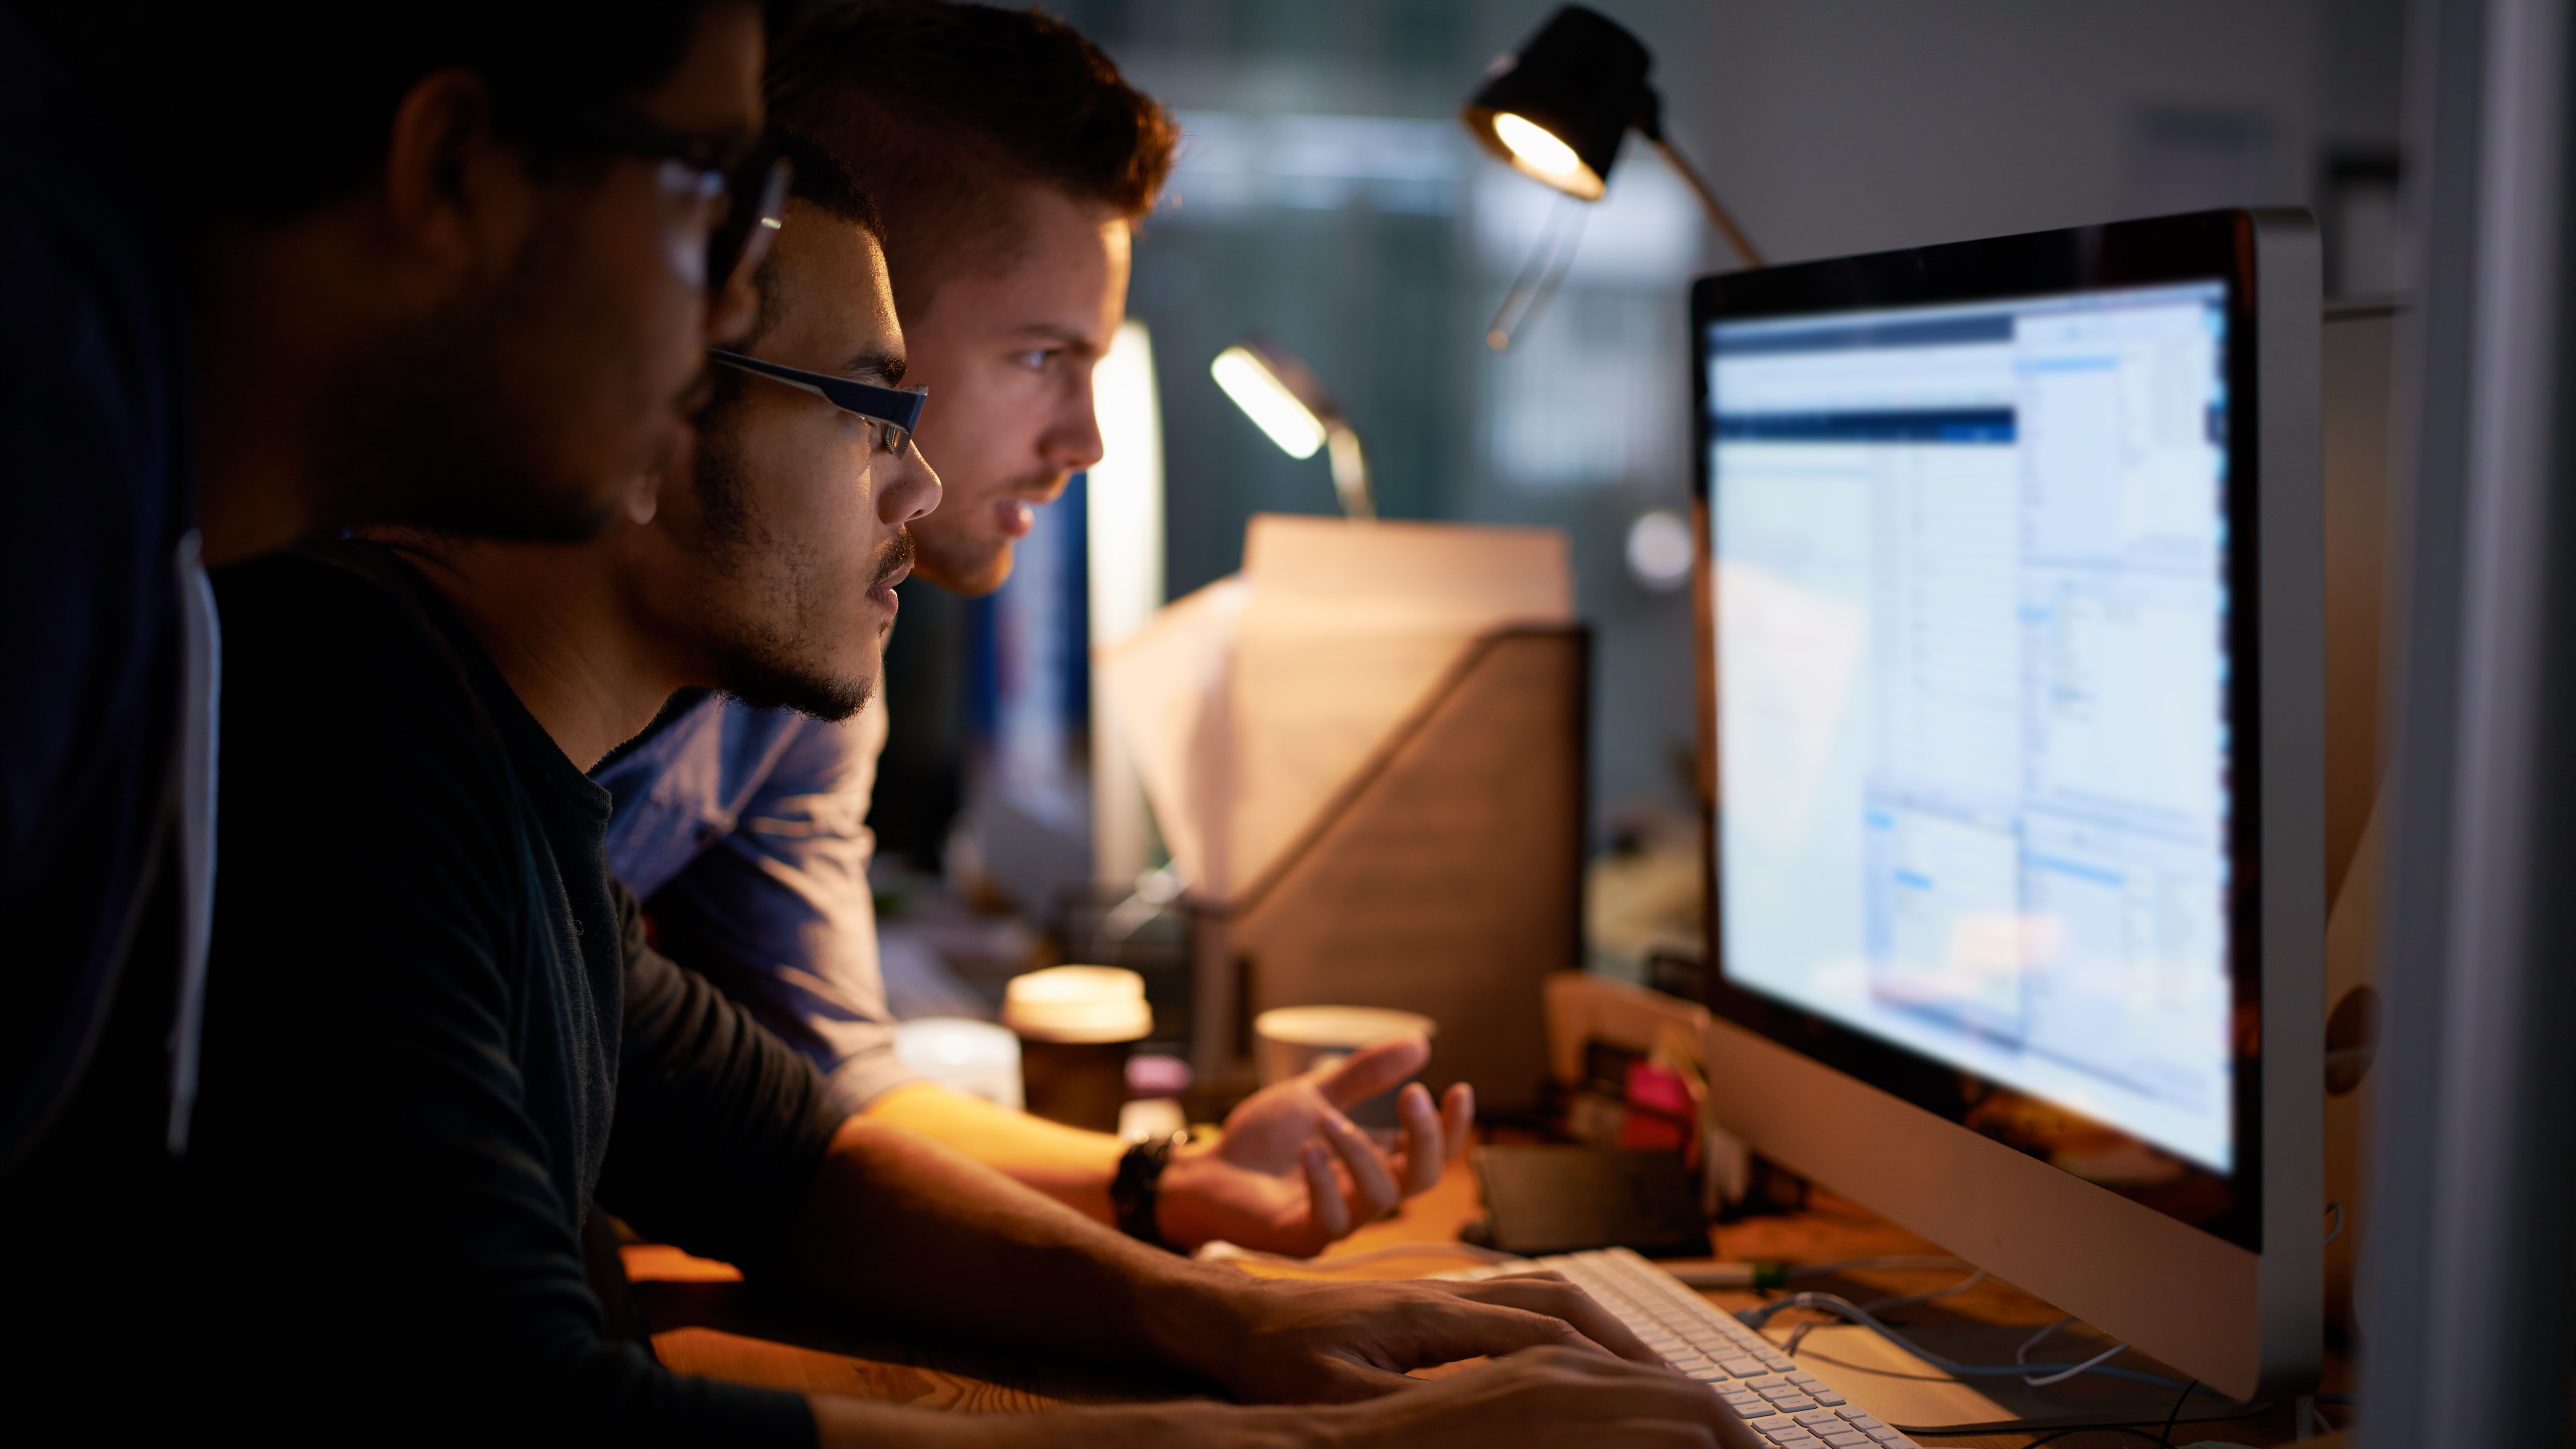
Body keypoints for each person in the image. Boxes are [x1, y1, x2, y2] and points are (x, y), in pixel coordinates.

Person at [160, 132, 1751, 1446]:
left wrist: (1232, 1314)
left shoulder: (509, 784)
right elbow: (533, 1422)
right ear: (648, 416)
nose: (918, 492)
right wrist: (1319, 1446)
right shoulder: (346, 731)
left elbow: (792, 1163)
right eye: (872, 412)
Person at [593, 0, 1451, 1259]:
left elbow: (834, 1089)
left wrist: (1168, 1178)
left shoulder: (813, 668)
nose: (1085, 443)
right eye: (1044, 357)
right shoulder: (422, 675)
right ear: (830, 292)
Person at [0, 0, 786, 1174]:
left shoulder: (140, 483)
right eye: (713, 191)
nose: (731, 306)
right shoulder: (43, 421)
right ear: (455, 165)